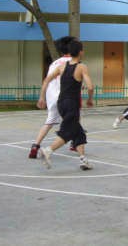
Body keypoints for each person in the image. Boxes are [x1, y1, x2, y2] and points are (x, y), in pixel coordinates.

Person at [38, 40, 94, 170]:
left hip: (61, 103)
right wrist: (90, 99)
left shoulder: (62, 66)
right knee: (68, 132)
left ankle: (83, 160)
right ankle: (48, 150)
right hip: (72, 104)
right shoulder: (82, 67)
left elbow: (46, 80)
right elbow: (90, 87)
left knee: (79, 132)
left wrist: (42, 97)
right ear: (80, 52)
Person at [30, 36, 76, 159]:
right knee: (75, 120)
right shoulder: (74, 62)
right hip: (65, 97)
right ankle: (75, 143)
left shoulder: (54, 63)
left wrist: (42, 97)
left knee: (49, 122)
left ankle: (35, 146)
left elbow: (46, 80)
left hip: (52, 97)